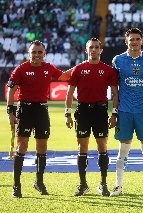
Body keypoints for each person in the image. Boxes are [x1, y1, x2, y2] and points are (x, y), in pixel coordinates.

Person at [6, 40, 72, 198]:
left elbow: (63, 76)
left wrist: (81, 67)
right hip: (25, 110)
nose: (36, 55)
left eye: (39, 52)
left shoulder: (48, 68)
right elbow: (11, 91)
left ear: (44, 54)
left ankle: (39, 182)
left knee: (42, 147)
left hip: (42, 109)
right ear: (29, 54)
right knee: (21, 147)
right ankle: (16, 185)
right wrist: (10, 112)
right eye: (33, 52)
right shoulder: (21, 69)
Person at [65, 38, 119, 196]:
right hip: (82, 111)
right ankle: (83, 184)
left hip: (100, 111)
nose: (94, 50)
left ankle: (103, 183)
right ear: (86, 50)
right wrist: (67, 114)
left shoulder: (108, 70)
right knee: (82, 148)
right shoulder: (78, 69)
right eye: (91, 47)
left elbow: (115, 94)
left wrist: (114, 114)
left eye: (96, 47)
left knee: (102, 147)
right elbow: (69, 93)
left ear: (101, 50)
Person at [110, 28, 143, 196]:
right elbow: (113, 86)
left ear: (142, 41)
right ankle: (118, 186)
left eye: (137, 39)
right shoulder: (118, 60)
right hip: (124, 111)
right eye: (132, 39)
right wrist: (114, 111)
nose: (135, 42)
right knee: (123, 149)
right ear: (126, 42)